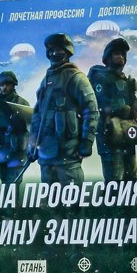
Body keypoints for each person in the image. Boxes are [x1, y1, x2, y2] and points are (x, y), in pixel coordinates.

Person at [28, 33, 99, 185]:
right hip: (46, 154)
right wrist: (32, 145)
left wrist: (87, 142)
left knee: (71, 196)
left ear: (67, 52)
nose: (54, 54)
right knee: (50, 196)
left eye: (59, 50)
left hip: (68, 153)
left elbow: (91, 110)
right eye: (51, 51)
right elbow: (37, 115)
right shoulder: (45, 81)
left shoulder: (76, 77)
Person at [88, 37, 137, 183]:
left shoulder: (126, 81)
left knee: (131, 175)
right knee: (114, 178)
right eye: (116, 53)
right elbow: (101, 103)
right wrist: (125, 110)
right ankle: (113, 198)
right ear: (108, 57)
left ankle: (129, 198)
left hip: (126, 132)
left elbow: (132, 100)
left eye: (122, 54)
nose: (120, 56)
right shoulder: (99, 77)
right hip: (108, 132)